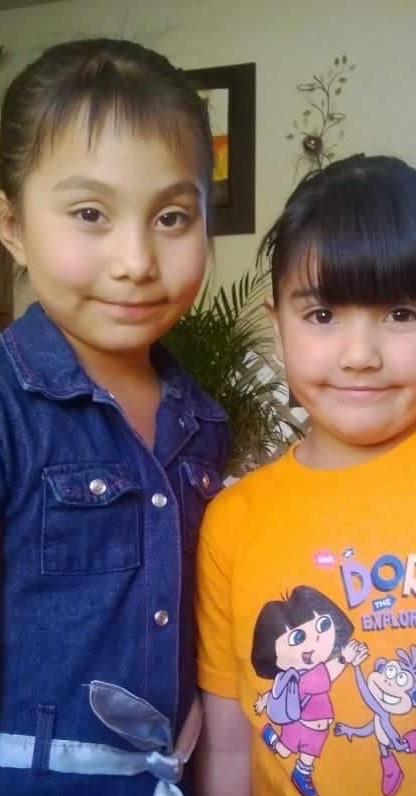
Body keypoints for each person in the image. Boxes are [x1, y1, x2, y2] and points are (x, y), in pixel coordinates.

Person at [0, 37, 229, 796]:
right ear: (12, 226)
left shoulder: (202, 422)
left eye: (171, 216)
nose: (136, 260)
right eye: (91, 213)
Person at [195, 155, 416, 796]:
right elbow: (230, 745)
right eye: (323, 316)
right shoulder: (234, 522)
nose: (360, 356)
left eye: (401, 314)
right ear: (278, 329)